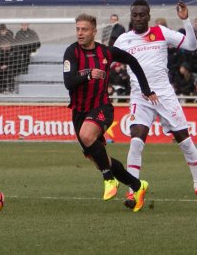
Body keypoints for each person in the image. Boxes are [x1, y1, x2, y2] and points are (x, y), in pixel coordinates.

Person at [114, 0, 197, 209]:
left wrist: (185, 21)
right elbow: (107, 61)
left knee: (184, 141)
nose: (138, 18)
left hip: (164, 96)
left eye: (142, 15)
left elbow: (192, 46)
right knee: (136, 141)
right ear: (131, 17)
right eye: (135, 15)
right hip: (140, 97)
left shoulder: (161, 32)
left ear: (148, 16)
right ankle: (133, 190)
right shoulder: (123, 40)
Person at [63, 13, 158, 212]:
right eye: (78, 29)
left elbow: (132, 61)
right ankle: (137, 186)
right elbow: (68, 82)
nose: (80, 33)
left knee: (87, 135)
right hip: (79, 112)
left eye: (84, 29)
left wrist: (146, 89)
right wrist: (88, 74)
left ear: (94, 32)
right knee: (98, 159)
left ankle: (109, 180)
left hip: (101, 108)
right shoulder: (71, 53)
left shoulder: (106, 52)